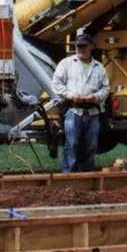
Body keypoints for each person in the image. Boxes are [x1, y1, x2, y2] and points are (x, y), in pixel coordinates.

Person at [50, 30, 110, 173]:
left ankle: (86, 176)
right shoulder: (66, 63)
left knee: (90, 146)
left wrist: (95, 97)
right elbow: (56, 83)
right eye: (78, 46)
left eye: (83, 46)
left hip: (93, 112)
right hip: (73, 110)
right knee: (72, 144)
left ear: (91, 47)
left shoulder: (99, 67)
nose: (80, 49)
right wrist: (70, 95)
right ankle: (68, 176)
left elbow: (106, 88)